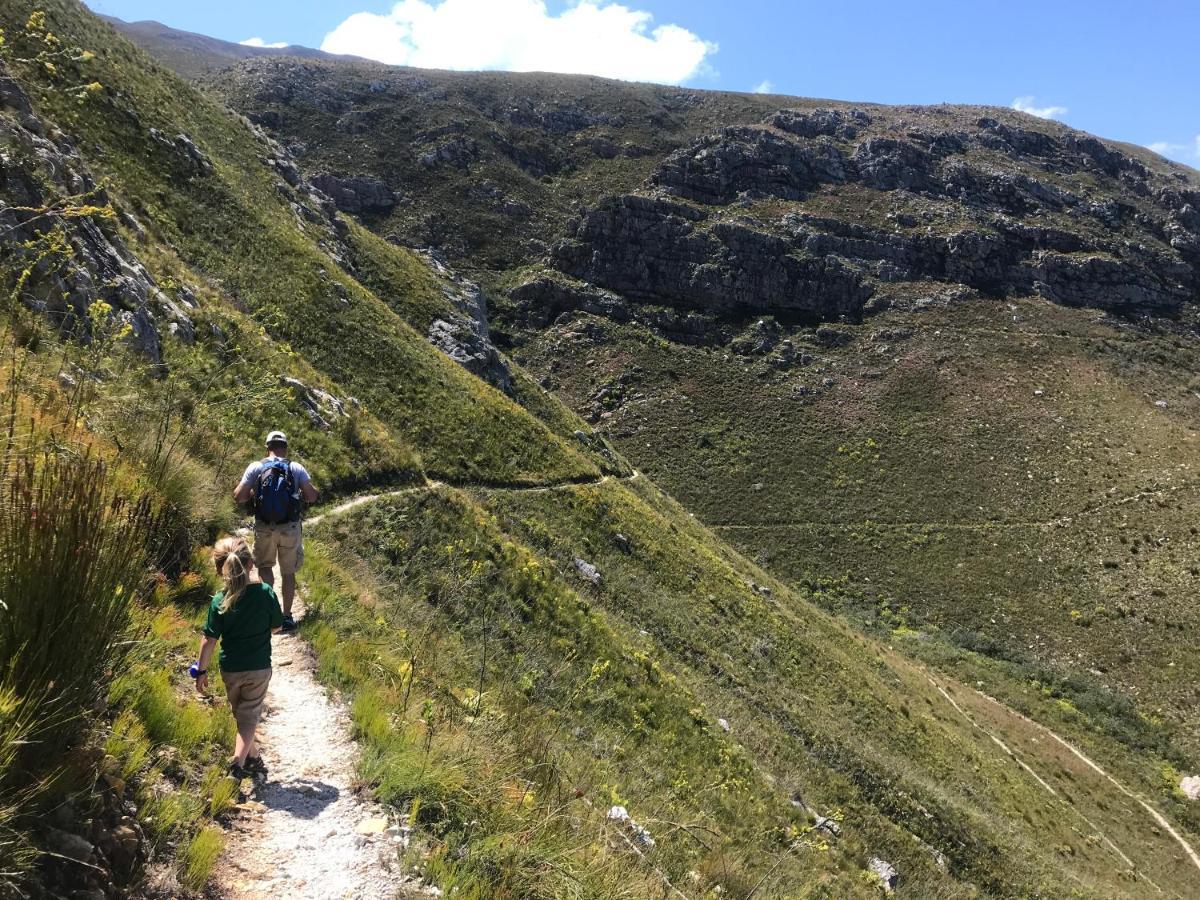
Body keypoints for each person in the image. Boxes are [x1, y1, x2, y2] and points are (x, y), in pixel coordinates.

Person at [193, 536, 284, 779]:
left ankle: (253, 758)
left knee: (242, 717)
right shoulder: (264, 593)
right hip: (258, 669)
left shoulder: (218, 601)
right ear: (251, 564)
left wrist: (201, 672)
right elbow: (277, 626)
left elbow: (209, 640)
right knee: (248, 718)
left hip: (230, 670)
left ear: (218, 568)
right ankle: (237, 764)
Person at [233, 430, 318, 631]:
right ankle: (287, 617)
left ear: (267, 447)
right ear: (285, 447)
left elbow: (239, 497)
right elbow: (311, 496)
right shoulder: (295, 467)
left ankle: (268, 614)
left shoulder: (256, 467)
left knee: (265, 568)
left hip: (264, 526)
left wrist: (254, 491)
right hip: (289, 526)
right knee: (288, 573)